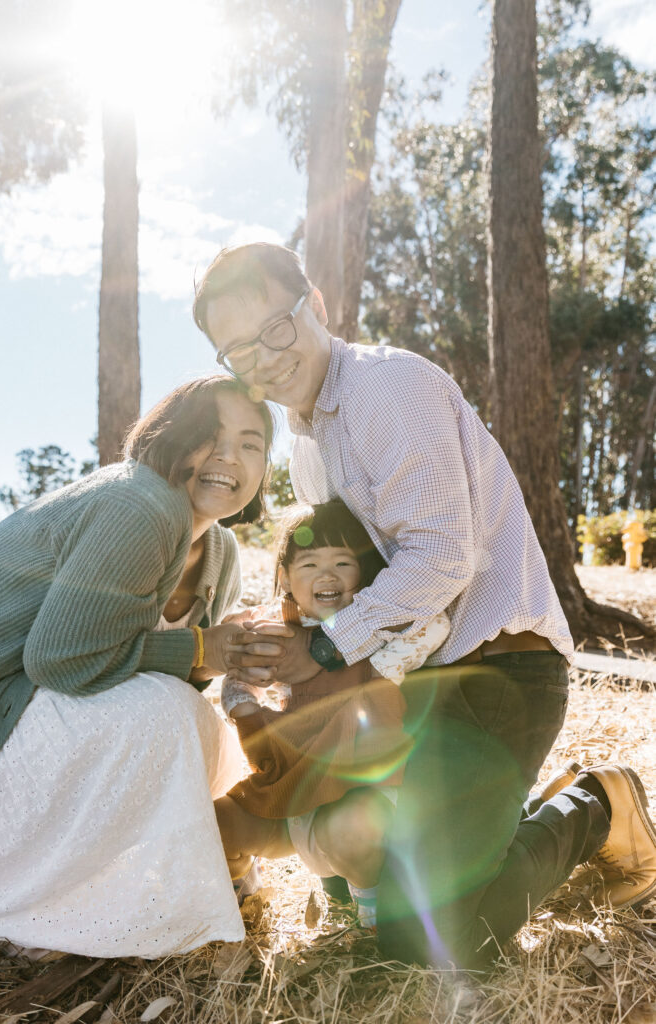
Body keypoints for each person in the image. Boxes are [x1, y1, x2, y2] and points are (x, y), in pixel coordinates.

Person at [192, 242, 656, 971]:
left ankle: (597, 803)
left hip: (501, 669)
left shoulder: (386, 387)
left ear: (314, 306)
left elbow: (442, 555)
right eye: (239, 350)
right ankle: (490, 835)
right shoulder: (308, 447)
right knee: (398, 912)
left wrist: (320, 650)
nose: (264, 358)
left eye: (275, 328)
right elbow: (335, 583)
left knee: (438, 942)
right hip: (414, 687)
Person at [0, 375, 286, 959]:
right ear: (170, 438)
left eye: (250, 443)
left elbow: (173, 670)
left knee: (195, 721)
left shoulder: (220, 551)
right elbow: (61, 661)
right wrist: (203, 648)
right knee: (167, 715)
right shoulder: (139, 504)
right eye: (209, 437)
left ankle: (109, 883)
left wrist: (245, 651)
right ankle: (50, 909)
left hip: (9, 715)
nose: (228, 457)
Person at [215, 499, 449, 927]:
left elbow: (435, 624)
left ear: (363, 575)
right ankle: (243, 894)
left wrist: (356, 623)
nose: (327, 576)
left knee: (353, 829)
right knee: (217, 823)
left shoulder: (378, 634)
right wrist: (242, 703)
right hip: (290, 789)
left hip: (358, 791)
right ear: (284, 577)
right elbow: (237, 676)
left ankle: (371, 914)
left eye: (343, 563)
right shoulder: (280, 632)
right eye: (309, 565)